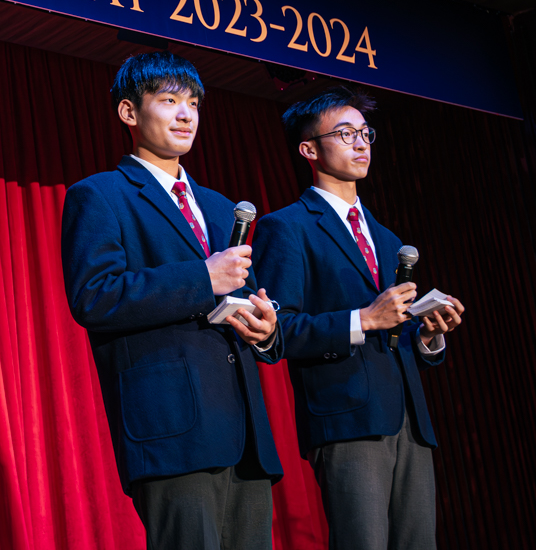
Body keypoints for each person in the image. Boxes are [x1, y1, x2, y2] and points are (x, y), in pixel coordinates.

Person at [61, 52, 283, 550]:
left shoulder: (222, 206)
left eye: (194, 104)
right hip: (172, 430)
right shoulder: (100, 196)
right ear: (129, 112)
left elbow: (244, 295)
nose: (186, 115)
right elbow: (94, 297)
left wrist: (267, 329)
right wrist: (202, 276)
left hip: (245, 433)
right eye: (169, 101)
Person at [250, 86, 465, 550]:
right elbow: (278, 331)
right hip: (346, 420)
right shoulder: (286, 227)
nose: (361, 143)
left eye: (365, 133)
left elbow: (397, 330)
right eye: (345, 134)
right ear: (309, 149)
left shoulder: (388, 239)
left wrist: (429, 336)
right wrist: (363, 319)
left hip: (410, 421)